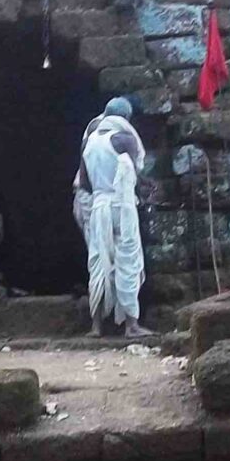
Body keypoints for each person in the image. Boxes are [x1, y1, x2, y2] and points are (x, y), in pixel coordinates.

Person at [74, 96, 146, 338]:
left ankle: (96, 327)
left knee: (98, 263)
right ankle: (131, 326)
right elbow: (135, 174)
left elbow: (83, 183)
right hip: (122, 205)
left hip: (98, 206)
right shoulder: (125, 139)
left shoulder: (90, 142)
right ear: (125, 118)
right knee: (128, 261)